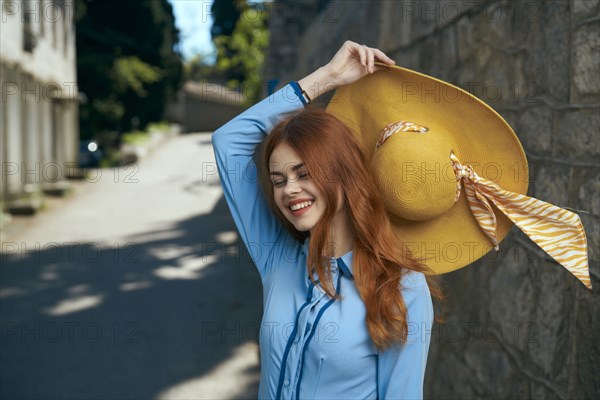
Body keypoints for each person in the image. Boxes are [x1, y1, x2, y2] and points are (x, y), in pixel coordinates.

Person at [212, 41, 441, 399]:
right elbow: (228, 142)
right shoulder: (278, 258)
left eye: (304, 174)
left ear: (341, 174)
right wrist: (326, 78)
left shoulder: (402, 289)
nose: (289, 190)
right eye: (278, 180)